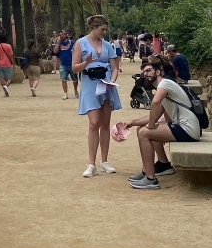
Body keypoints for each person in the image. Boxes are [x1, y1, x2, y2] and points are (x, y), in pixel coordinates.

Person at [123, 55, 202, 189]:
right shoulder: (163, 88)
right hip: (184, 126)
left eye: (148, 70)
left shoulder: (165, 84)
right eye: (144, 72)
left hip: (188, 128)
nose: (145, 74)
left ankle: (151, 179)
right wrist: (132, 123)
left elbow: (155, 102)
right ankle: (151, 170)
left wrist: (151, 125)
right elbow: (153, 115)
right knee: (141, 128)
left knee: (144, 133)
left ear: (158, 71)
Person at [73, 14, 121, 178]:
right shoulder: (81, 43)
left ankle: (104, 161)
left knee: (105, 124)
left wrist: (112, 81)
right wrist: (86, 62)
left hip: (105, 84)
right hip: (89, 85)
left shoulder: (107, 45)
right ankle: (91, 163)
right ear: (94, 27)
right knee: (94, 123)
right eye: (102, 29)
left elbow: (115, 67)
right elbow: (75, 68)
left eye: (106, 30)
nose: (104, 33)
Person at [55, 30, 79, 100]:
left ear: (65, 35)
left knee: (75, 79)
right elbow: (55, 51)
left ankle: (75, 91)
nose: (61, 36)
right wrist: (57, 43)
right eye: (60, 35)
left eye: (62, 34)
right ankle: (65, 93)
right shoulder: (59, 44)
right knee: (63, 79)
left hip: (72, 64)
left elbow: (76, 50)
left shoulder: (71, 42)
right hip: (63, 64)